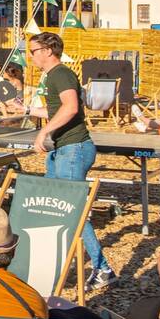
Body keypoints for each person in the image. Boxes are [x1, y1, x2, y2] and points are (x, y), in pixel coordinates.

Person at [27, 31, 115, 289]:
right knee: (53, 208)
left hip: (73, 150)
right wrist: (26, 110)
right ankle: (55, 264)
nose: (30, 56)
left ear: (47, 51)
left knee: (73, 210)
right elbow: (58, 109)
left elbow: (72, 107)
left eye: (33, 51)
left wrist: (44, 131)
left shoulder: (61, 74)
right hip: (62, 150)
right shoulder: (53, 76)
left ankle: (102, 268)